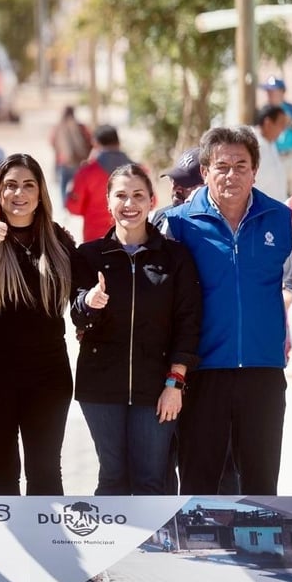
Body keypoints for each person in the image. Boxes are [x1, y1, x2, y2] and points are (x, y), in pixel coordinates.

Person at [162, 125, 292, 495]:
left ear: (254, 170)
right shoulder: (180, 223)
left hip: (263, 372)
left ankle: (261, 553)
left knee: (261, 484)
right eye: (222, 166)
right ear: (204, 172)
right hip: (204, 371)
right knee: (199, 482)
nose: (231, 174)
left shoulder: (280, 220)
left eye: (241, 165)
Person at [71, 163, 202, 495]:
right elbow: (76, 314)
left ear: (151, 201)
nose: (129, 204)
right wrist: (90, 302)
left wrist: (176, 382)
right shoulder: (89, 255)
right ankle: (111, 548)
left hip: (157, 387)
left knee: (150, 479)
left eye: (138, 196)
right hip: (100, 386)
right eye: (121, 195)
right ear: (108, 201)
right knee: (113, 476)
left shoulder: (175, 257)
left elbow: (188, 322)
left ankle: (153, 548)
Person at [0, 153, 75, 495]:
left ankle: (51, 546)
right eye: (10, 185)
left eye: (27, 185)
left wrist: (91, 304)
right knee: (2, 472)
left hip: (48, 375)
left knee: (46, 472)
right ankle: (8, 548)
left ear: (39, 193)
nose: (18, 193)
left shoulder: (59, 240)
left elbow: (81, 294)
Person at [66, 124, 134, 242]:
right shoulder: (138, 170)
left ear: (95, 143)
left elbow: (74, 207)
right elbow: (152, 202)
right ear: (118, 143)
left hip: (96, 240)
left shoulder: (87, 171)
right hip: (132, 237)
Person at [49, 105, 93, 204]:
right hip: (79, 162)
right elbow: (90, 141)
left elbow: (52, 142)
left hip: (63, 162)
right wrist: (85, 156)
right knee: (79, 186)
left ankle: (65, 206)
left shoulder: (58, 128)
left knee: (63, 186)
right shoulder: (81, 127)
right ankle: (76, 205)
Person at [253, 104, 290, 201]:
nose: (283, 129)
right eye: (281, 124)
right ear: (268, 123)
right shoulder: (251, 144)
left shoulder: (271, 144)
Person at [260, 75, 292, 156]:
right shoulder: (264, 112)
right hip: (273, 155)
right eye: (268, 91)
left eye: (273, 91)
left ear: (282, 92)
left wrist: (290, 122)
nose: (269, 94)